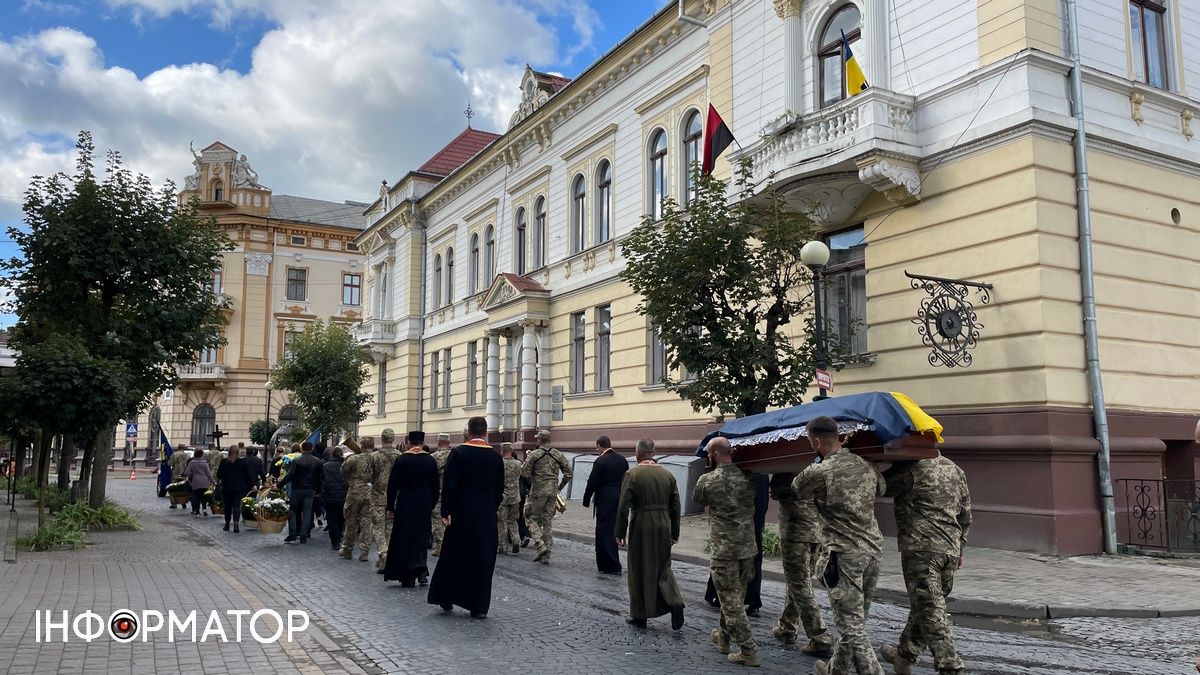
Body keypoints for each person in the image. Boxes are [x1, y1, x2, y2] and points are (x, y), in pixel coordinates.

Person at [792, 416, 887, 675]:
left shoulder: (820, 471)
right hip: (873, 552)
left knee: (852, 627)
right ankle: (837, 670)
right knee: (855, 621)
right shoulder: (866, 465)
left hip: (844, 556)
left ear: (817, 441)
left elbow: (797, 489)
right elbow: (882, 488)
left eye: (811, 442)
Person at [880, 456, 972, 675]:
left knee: (930, 609)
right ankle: (903, 655)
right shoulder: (955, 469)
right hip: (949, 548)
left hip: (921, 550)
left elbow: (878, 487)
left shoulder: (910, 470)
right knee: (926, 605)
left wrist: (886, 465)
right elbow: (965, 514)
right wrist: (960, 548)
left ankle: (949, 665)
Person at [427, 417, 504, 619]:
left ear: (468, 432)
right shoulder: (496, 457)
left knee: (455, 555)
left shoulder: (459, 453)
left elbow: (450, 485)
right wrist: (490, 509)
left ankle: (447, 597)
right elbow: (499, 489)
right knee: (482, 559)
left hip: (461, 514)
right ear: (485, 433)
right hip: (486, 515)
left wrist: (446, 511)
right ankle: (478, 606)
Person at [694, 437, 760, 667]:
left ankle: (748, 649)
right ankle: (723, 638)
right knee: (735, 596)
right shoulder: (749, 478)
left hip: (725, 550)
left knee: (730, 600)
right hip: (747, 548)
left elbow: (697, 500)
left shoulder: (708, 480)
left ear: (713, 454)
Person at [615, 438, 684, 631]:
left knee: (638, 567)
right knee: (663, 566)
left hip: (642, 523)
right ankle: (675, 600)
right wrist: (675, 531)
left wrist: (620, 531)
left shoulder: (632, 474)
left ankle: (639, 615)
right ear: (653, 453)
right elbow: (676, 506)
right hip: (663, 524)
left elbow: (623, 506)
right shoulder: (668, 475)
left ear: (637, 453)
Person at [769, 472, 833, 657]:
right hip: (817, 533)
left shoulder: (787, 466)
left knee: (800, 586)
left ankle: (820, 638)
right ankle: (787, 627)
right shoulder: (818, 466)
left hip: (796, 534)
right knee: (798, 583)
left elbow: (776, 492)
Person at [706, 474, 768, 617]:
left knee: (725, 557)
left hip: (737, 523)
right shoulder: (760, 474)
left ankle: (720, 595)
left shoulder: (735, 471)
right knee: (751, 560)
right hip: (751, 522)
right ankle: (751, 602)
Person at [382, 438, 439, 587]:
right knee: (422, 535)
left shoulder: (402, 459)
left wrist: (390, 506)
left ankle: (406, 573)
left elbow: (393, 484)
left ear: (409, 443)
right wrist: (431, 503)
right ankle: (421, 570)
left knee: (405, 535)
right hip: (424, 501)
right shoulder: (430, 460)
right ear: (421, 442)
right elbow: (435, 486)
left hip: (406, 500)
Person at [521, 428, 573, 564]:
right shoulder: (558, 454)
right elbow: (569, 473)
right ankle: (546, 555)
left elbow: (525, 473)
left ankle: (540, 544)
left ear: (539, 440)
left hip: (537, 492)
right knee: (547, 521)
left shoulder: (534, 454)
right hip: (552, 493)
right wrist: (559, 487)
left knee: (530, 517)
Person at [582, 436, 628, 574]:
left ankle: (609, 565)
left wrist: (586, 499)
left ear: (599, 446)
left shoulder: (600, 461)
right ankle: (611, 563)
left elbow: (592, 482)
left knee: (603, 532)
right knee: (614, 530)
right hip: (619, 498)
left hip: (604, 500)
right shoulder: (622, 460)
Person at [370, 429, 403, 570]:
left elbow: (369, 476)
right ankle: (387, 556)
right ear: (393, 439)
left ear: (382, 438)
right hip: (395, 497)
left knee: (377, 528)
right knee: (389, 528)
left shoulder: (374, 456)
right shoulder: (401, 456)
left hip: (378, 496)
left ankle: (384, 554)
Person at [339, 437, 375, 561]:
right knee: (366, 523)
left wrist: (350, 481)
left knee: (351, 521)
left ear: (362, 445)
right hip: (370, 493)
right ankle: (364, 552)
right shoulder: (377, 458)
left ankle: (347, 549)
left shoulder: (353, 458)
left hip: (354, 492)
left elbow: (343, 471)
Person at [280, 441, 323, 544]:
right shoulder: (317, 461)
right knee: (307, 513)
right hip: (309, 490)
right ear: (311, 448)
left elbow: (289, 475)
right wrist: (318, 490)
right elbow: (320, 478)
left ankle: (293, 534)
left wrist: (279, 485)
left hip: (297, 489)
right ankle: (303, 535)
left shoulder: (296, 460)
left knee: (292, 511)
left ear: (302, 449)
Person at [216, 445, 254, 533]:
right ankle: (236, 524)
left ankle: (227, 524)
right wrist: (252, 485)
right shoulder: (242, 462)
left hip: (227, 488)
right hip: (238, 488)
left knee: (227, 506)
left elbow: (219, 474)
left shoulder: (224, 462)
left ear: (229, 452)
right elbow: (247, 475)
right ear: (238, 452)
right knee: (236, 506)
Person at [496, 443, 522, 555]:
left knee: (502, 523)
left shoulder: (499, 463)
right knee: (512, 521)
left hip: (503, 497)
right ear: (512, 451)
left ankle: (503, 547)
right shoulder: (518, 464)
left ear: (502, 451)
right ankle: (516, 540)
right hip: (515, 497)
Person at [322, 446, 349, 550]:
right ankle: (340, 535)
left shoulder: (325, 466)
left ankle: (335, 542)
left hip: (329, 496)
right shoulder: (346, 465)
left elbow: (322, 480)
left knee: (331, 519)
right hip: (344, 496)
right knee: (341, 518)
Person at [429, 433, 452, 555]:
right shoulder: (455, 456)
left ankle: (439, 547)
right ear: (449, 443)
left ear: (438, 442)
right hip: (454, 494)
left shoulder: (433, 457)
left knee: (437, 521)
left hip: (438, 493)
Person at [184, 448, 215, 517]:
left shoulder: (192, 463)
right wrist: (213, 481)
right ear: (201, 455)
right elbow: (208, 473)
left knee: (197, 497)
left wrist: (191, 475)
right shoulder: (204, 463)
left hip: (196, 482)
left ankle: (197, 512)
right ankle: (204, 509)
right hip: (205, 482)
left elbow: (187, 472)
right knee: (204, 496)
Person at [169, 445, 192, 509]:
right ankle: (183, 502)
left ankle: (174, 504)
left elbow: (170, 463)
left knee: (173, 489)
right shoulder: (187, 455)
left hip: (176, 474)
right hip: (184, 475)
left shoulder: (174, 455)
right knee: (183, 489)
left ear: (178, 448)